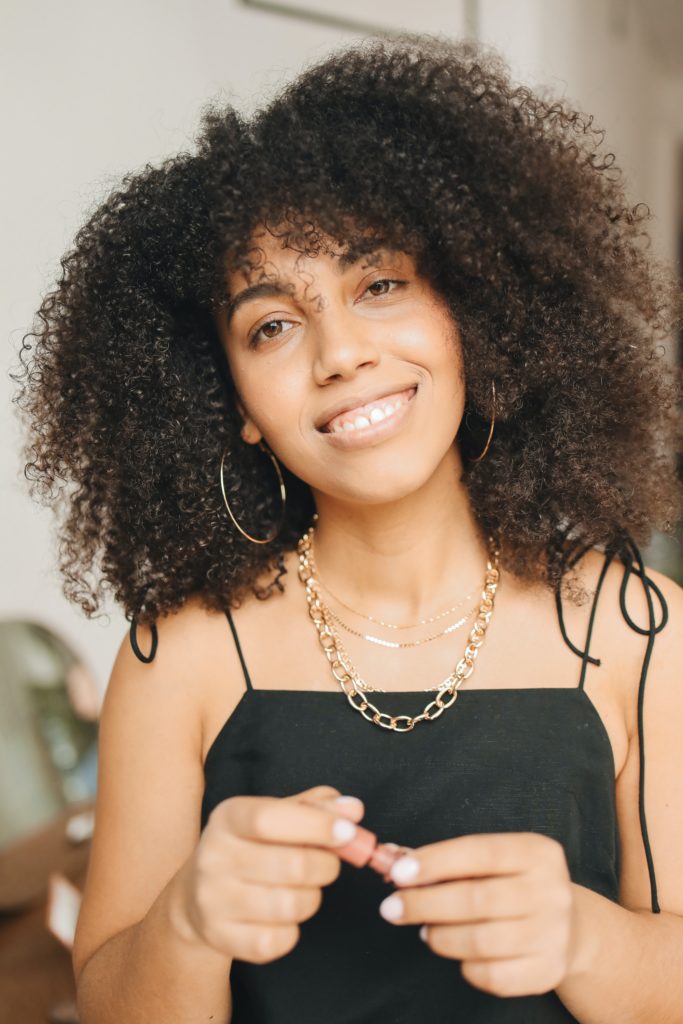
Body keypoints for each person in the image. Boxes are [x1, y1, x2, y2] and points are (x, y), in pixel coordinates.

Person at [15, 32, 683, 1024]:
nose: (339, 352)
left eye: (380, 284)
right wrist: (188, 923)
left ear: (471, 313)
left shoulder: (639, 632)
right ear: (230, 396)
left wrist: (581, 937)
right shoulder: (184, 655)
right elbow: (110, 999)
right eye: (272, 324)